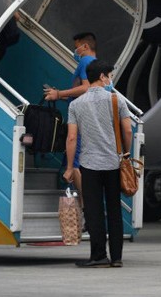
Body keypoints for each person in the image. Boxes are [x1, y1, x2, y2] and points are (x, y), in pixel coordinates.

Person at [64, 59, 130, 268]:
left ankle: (99, 256)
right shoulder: (116, 99)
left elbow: (72, 138)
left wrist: (68, 167)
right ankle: (117, 257)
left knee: (94, 210)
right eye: (109, 75)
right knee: (114, 210)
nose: (110, 79)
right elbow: (127, 130)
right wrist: (126, 154)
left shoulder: (76, 104)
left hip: (89, 164)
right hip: (113, 162)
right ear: (102, 77)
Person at [45, 32, 99, 205]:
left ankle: (86, 206)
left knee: (75, 163)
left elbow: (85, 88)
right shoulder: (98, 66)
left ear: (85, 46)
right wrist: (59, 96)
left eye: (76, 47)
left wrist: (60, 93)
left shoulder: (85, 61)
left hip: (83, 117)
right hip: (94, 118)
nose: (75, 51)